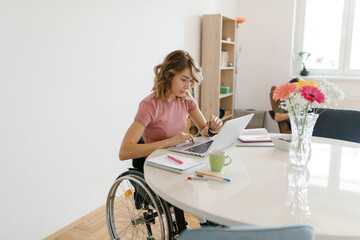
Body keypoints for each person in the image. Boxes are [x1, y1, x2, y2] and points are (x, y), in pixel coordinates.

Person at [119, 50, 223, 172]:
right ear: (168, 75)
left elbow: (204, 130)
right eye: (184, 80)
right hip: (157, 165)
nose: (188, 87)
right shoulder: (149, 105)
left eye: (190, 81)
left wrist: (213, 128)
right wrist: (169, 142)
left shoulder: (186, 98)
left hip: (179, 160)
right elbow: (124, 152)